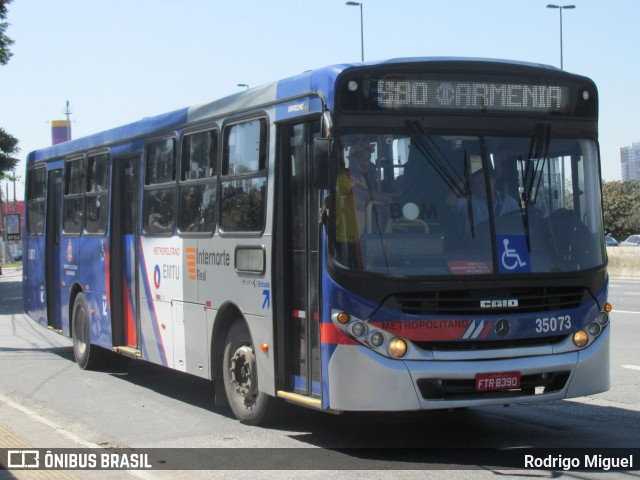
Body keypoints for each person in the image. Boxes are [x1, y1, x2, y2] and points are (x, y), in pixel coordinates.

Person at [447, 167, 520, 227]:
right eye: (476, 184)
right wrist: (466, 178)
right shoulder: (471, 202)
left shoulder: (510, 203)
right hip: (476, 244)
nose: (479, 187)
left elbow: (519, 226)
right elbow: (450, 201)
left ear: (493, 182)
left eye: (482, 182)